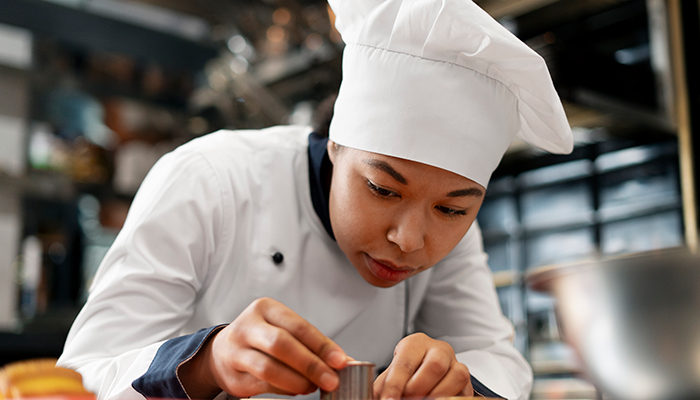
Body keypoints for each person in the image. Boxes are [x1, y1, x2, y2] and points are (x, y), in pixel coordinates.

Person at [58, 0, 573, 399]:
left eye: (453, 209)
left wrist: (457, 382)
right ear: (334, 144)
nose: (410, 240)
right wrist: (209, 361)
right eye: (382, 189)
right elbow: (78, 380)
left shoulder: (446, 234)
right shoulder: (210, 180)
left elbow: (497, 360)